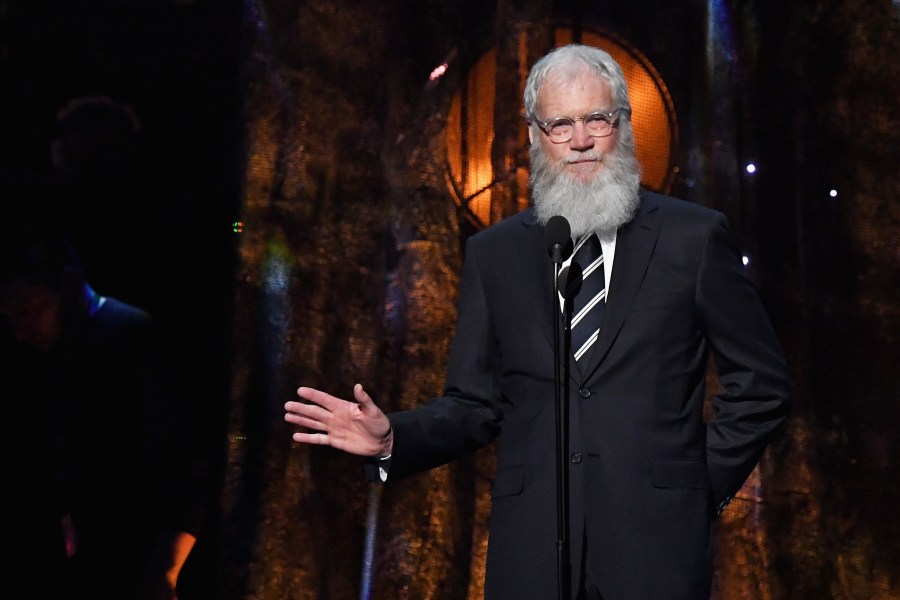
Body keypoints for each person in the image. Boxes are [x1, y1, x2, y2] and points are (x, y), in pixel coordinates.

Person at [284, 44, 794, 599]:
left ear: (623, 123)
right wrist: (393, 441)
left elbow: (762, 385)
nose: (580, 141)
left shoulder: (693, 237)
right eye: (560, 124)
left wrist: (694, 489)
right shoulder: (495, 254)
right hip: (531, 556)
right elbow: (473, 405)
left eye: (596, 119)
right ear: (534, 134)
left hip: (657, 552)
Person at [0, 200, 211, 600]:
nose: (20, 332)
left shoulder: (133, 338)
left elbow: (184, 468)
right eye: (12, 320)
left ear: (66, 282)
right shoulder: (58, 356)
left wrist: (164, 573)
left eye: (28, 312)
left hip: (137, 570)